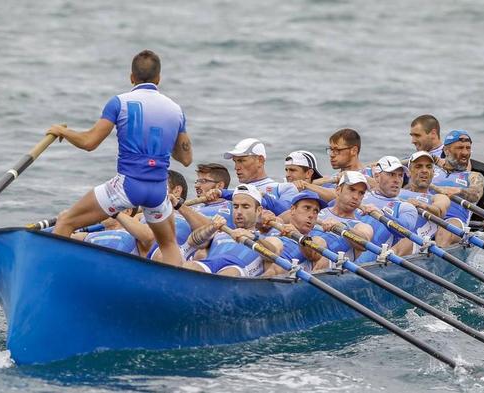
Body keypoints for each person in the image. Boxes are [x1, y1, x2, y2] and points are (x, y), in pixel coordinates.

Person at [46, 50, 192, 266]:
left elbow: (89, 143)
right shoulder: (175, 110)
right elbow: (185, 158)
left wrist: (63, 131)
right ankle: (178, 288)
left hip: (126, 186)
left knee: (66, 221)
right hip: (159, 190)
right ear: (158, 79)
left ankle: (51, 277)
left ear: (131, 77)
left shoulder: (119, 102)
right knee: (169, 243)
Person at [182, 184, 280, 277]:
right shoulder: (220, 232)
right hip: (210, 264)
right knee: (189, 266)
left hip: (237, 270)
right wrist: (211, 227)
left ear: (258, 210)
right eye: (235, 206)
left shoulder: (269, 239)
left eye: (245, 207)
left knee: (230, 273)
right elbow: (192, 242)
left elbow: (272, 255)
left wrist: (254, 237)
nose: (239, 212)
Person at [432, 130, 484, 246]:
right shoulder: (430, 170)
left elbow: (475, 194)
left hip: (452, 221)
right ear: (446, 150)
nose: (465, 152)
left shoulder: (473, 176)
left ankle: (437, 259)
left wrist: (459, 191)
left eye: (468, 148)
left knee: (445, 231)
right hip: (427, 216)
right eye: (460, 148)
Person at [262, 191, 332, 276]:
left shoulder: (317, 240)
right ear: (293, 209)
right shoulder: (273, 226)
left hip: (279, 271)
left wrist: (297, 235)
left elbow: (314, 254)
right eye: (307, 208)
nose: (311, 215)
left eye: (316, 211)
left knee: (278, 266)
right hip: (257, 258)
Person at [360, 156, 418, 258]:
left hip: (374, 262)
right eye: (391, 174)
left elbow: (404, 231)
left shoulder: (406, 207)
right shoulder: (359, 196)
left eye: (400, 175)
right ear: (377, 176)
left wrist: (382, 215)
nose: (397, 180)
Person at [223, 138, 298, 214]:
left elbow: (288, 213)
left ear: (260, 160)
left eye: (241, 161)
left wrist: (261, 197)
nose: (236, 167)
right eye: (235, 161)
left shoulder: (285, 188)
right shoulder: (234, 193)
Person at [398, 151, 451, 253]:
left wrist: (422, 205)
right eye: (418, 167)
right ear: (408, 172)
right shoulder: (397, 192)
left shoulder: (438, 197)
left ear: (433, 172)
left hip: (413, 244)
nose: (424, 171)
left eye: (428, 167)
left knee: (405, 242)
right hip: (389, 238)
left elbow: (439, 212)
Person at [316, 171, 374, 260]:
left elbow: (364, 244)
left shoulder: (361, 226)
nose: (356, 197)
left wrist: (341, 226)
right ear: (338, 190)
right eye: (352, 189)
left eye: (361, 193)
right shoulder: (317, 211)